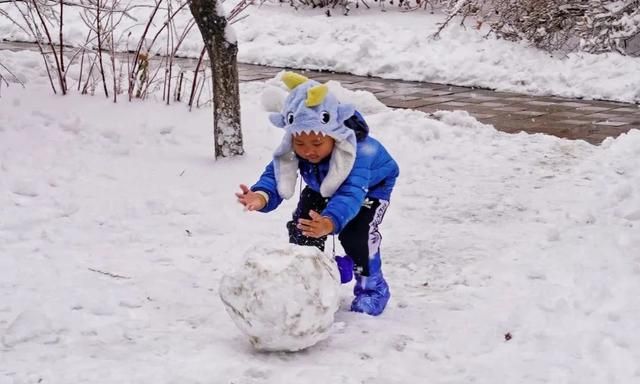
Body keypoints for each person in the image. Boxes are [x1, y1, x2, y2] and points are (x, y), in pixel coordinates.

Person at [236, 72, 399, 316]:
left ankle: (372, 289)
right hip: (322, 184)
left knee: (357, 236)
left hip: (369, 189)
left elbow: (351, 193)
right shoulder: (296, 148)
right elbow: (276, 175)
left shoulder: (360, 152)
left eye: (316, 144)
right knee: (304, 227)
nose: (308, 151)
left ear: (334, 135)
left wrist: (330, 221)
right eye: (300, 144)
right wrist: (261, 196)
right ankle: (309, 280)